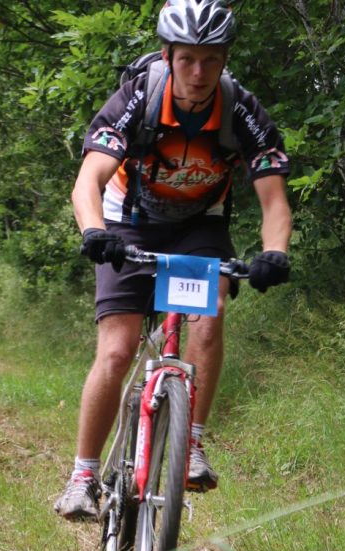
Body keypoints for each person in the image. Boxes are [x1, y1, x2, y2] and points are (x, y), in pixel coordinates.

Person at [54, 0, 292, 521]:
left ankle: (192, 444)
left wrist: (275, 252)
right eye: (187, 59)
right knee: (116, 351)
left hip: (198, 225)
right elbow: (88, 180)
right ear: (168, 54)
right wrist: (95, 231)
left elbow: (274, 200)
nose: (199, 72)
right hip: (127, 219)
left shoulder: (241, 109)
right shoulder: (138, 95)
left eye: (212, 59)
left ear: (225, 58)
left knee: (211, 317)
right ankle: (82, 475)